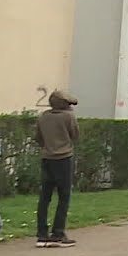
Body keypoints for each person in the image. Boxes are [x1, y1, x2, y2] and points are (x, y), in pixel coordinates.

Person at [35, 89, 79, 247]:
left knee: (44, 197)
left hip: (47, 158)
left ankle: (42, 235)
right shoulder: (68, 116)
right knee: (63, 197)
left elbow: (38, 138)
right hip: (63, 158)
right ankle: (58, 233)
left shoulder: (43, 116)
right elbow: (75, 135)